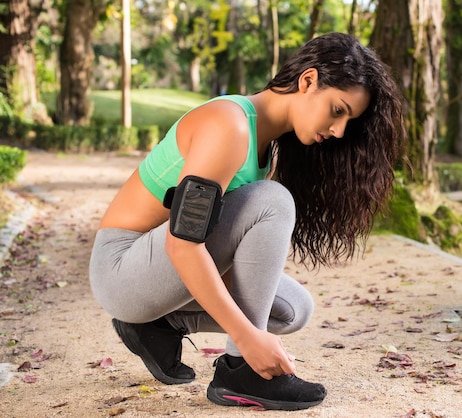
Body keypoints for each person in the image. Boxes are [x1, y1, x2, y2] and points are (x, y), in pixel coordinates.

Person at [89, 32, 405, 411]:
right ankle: (242, 372)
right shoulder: (230, 125)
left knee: (291, 311)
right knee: (272, 202)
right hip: (121, 268)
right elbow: (182, 243)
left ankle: (161, 325)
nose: (338, 131)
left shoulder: (267, 148)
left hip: (155, 270)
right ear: (308, 81)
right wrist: (248, 339)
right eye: (337, 110)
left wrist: (252, 327)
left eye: (347, 121)